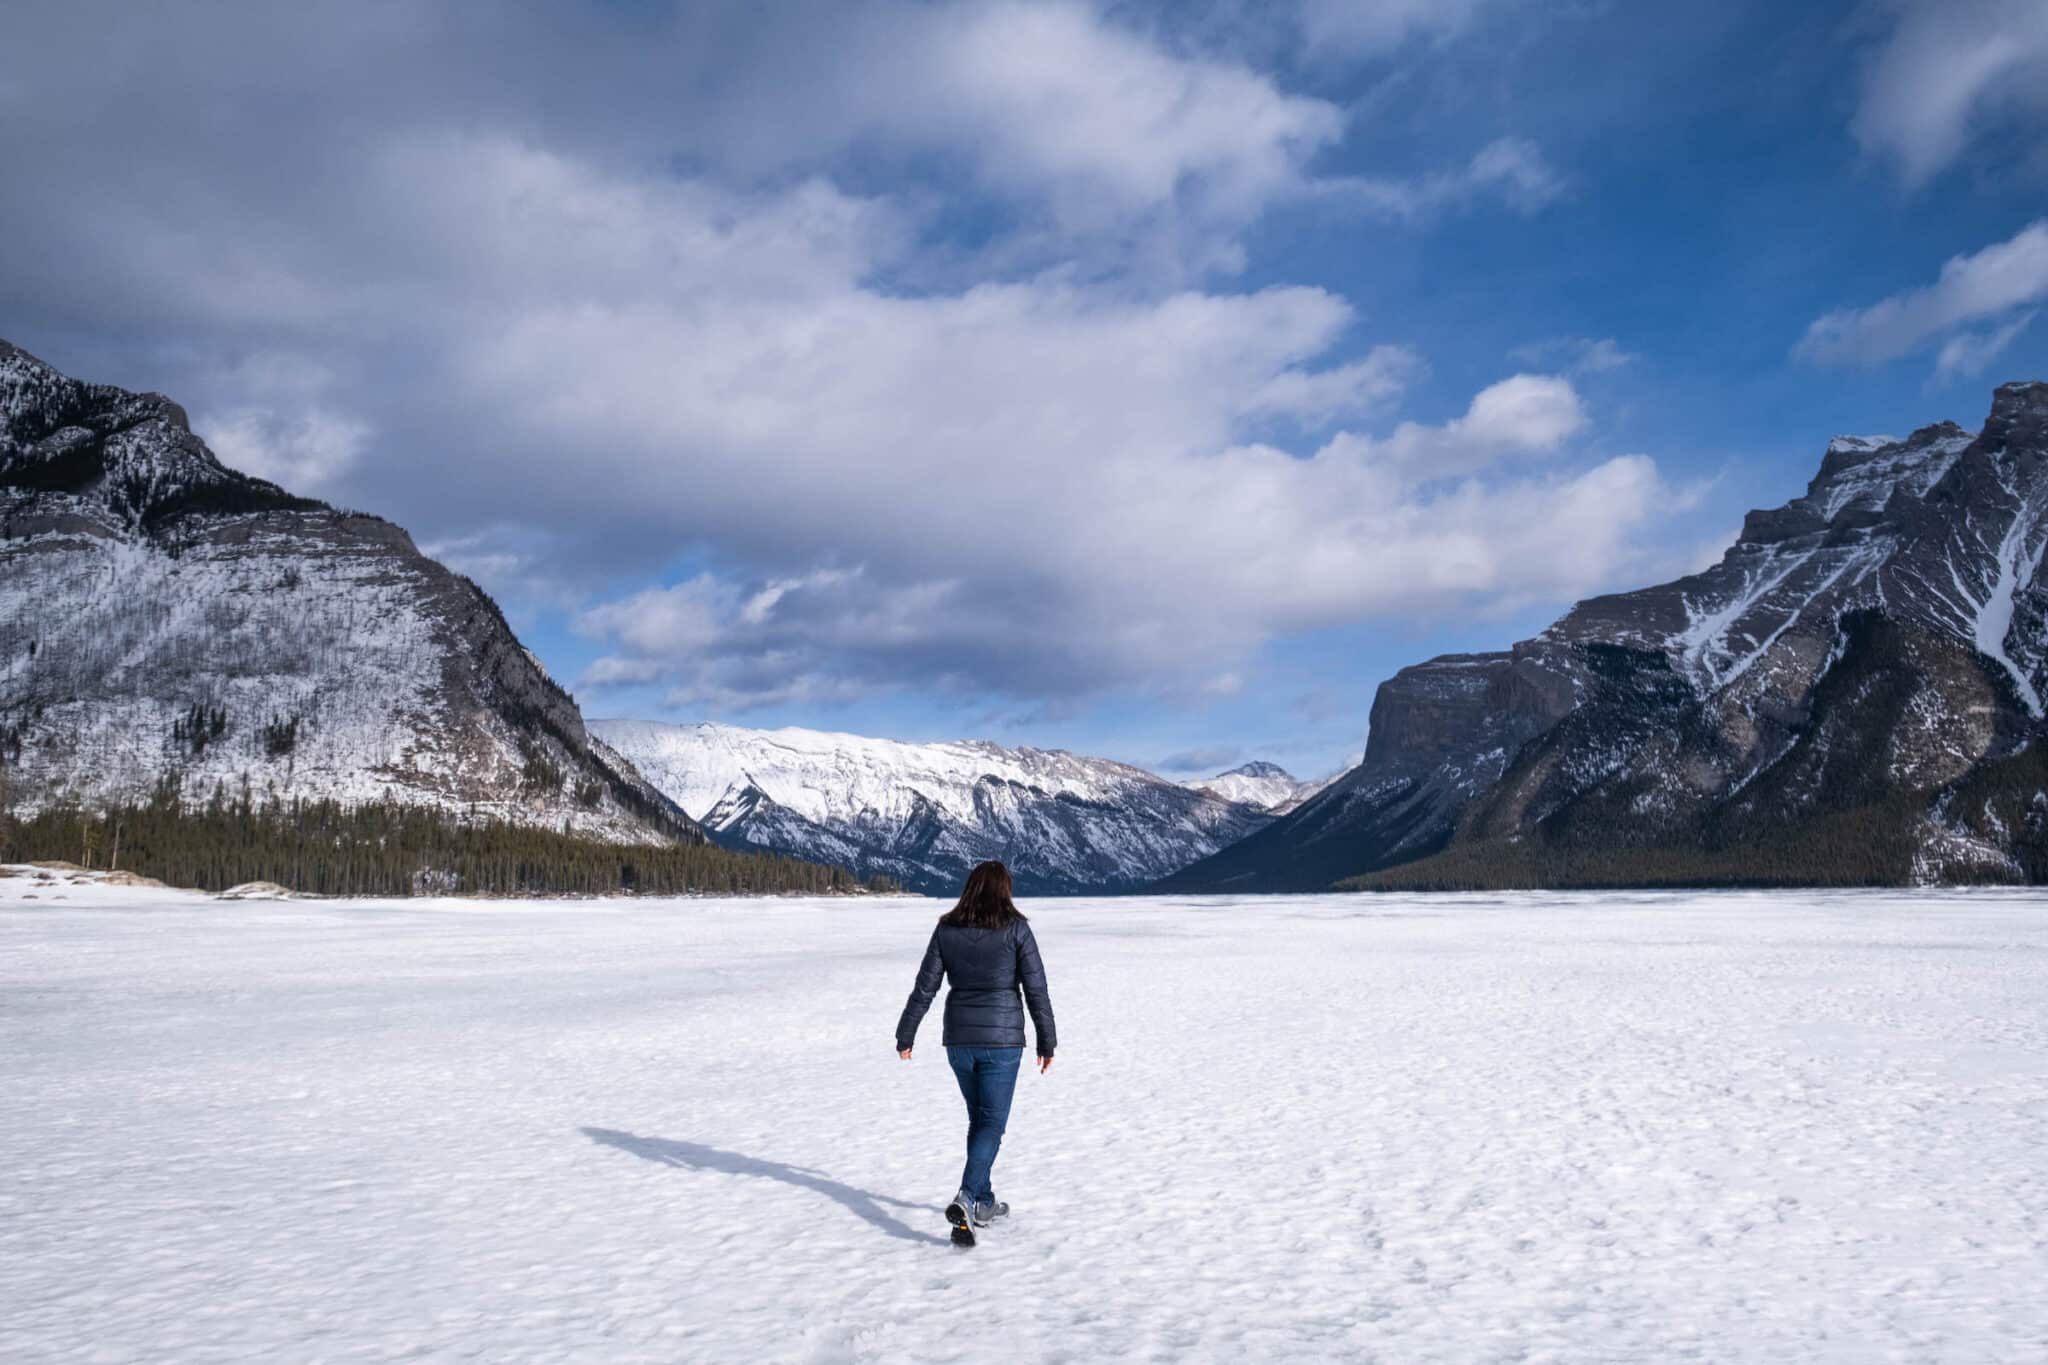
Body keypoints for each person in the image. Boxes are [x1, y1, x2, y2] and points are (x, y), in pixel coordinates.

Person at [895, 859, 1056, 1247]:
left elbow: (925, 987)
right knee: (992, 1124)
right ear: (1005, 890)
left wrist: (906, 1033)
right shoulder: (1017, 929)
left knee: (979, 1119)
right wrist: (1046, 1040)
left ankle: (983, 1202)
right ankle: (967, 1196)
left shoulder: (946, 929)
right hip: (1001, 1042)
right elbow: (1036, 989)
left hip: (959, 1040)